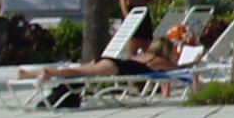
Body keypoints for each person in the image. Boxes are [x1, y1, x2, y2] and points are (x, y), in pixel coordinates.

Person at [37, 37, 178, 86]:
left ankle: (28, 74)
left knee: (79, 70)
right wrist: (189, 61)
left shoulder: (144, 54)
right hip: (114, 66)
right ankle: (50, 73)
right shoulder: (158, 60)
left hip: (111, 61)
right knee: (79, 71)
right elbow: (177, 69)